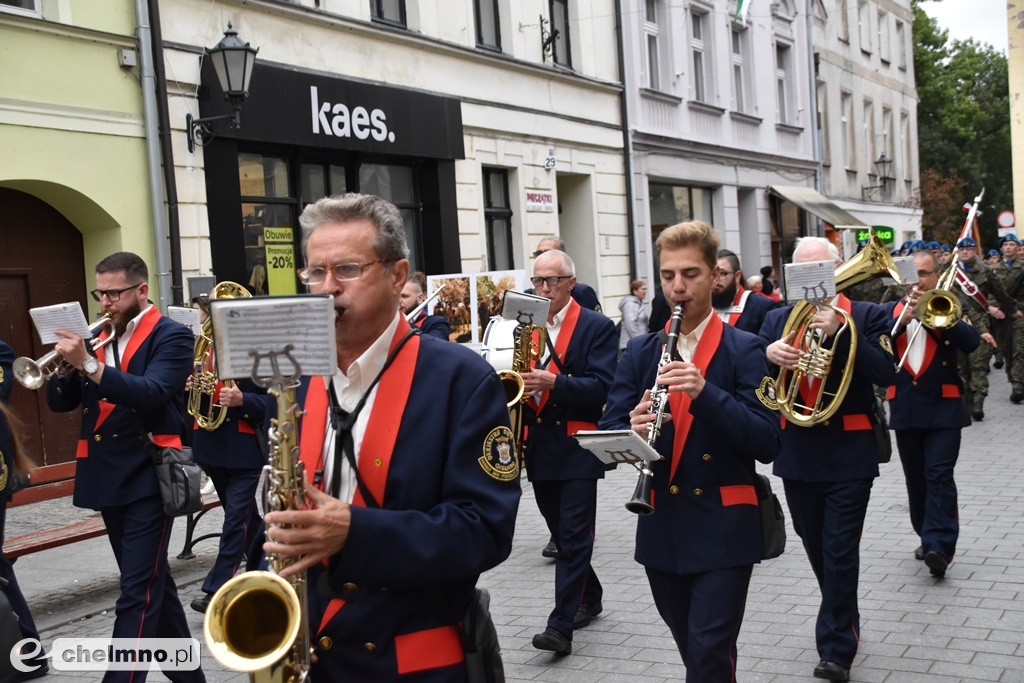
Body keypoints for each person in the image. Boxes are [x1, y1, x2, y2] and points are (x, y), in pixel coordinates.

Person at [261, 193, 521, 681]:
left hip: (410, 658)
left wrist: (355, 533)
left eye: (347, 270)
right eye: (315, 273)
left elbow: (486, 531)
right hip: (310, 651)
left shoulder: (461, 379)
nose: (327, 288)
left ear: (398, 275)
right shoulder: (296, 377)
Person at [600, 220, 780, 680]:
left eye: (690, 275)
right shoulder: (642, 351)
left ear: (715, 275)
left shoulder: (745, 349)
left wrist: (707, 394)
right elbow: (607, 433)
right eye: (667, 276)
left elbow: (766, 440)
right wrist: (632, 428)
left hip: (724, 523)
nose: (677, 287)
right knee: (696, 650)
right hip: (662, 523)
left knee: (706, 651)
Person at [45, 251, 202, 683]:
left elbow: (152, 392)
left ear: (141, 290)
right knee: (154, 586)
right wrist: (63, 367)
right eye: (101, 293)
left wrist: (89, 365)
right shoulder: (96, 338)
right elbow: (60, 403)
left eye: (115, 293)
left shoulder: (170, 336)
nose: (106, 302)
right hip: (108, 475)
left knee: (137, 593)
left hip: (150, 473)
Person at [759, 237, 896, 682]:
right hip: (797, 453)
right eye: (800, 273)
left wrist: (841, 332)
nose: (810, 282)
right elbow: (754, 380)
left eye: (818, 271)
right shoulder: (777, 318)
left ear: (838, 270)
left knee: (839, 550)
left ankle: (836, 648)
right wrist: (768, 354)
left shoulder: (866, 315)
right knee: (817, 545)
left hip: (849, 452)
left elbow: (886, 373)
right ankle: (845, 615)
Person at [522, 250, 616, 655]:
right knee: (561, 533)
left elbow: (602, 387)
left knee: (574, 536)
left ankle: (560, 627)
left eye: (551, 282)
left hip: (579, 443)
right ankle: (590, 594)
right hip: (540, 443)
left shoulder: (596, 326)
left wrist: (554, 383)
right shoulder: (526, 325)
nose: (543, 289)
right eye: (538, 281)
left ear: (570, 283)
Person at [885, 250, 980, 577]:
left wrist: (936, 318)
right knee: (916, 478)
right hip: (906, 407)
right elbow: (874, 348)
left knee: (938, 473)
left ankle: (940, 544)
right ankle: (927, 533)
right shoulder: (889, 312)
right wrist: (900, 324)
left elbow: (971, 343)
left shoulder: (951, 306)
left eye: (924, 274)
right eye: (912, 275)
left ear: (937, 276)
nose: (918, 282)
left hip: (943, 406)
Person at [186, 295, 271, 614]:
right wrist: (194, 386)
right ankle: (263, 568)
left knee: (236, 519)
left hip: (244, 450)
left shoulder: (260, 351)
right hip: (211, 446)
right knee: (247, 517)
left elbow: (275, 402)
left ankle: (217, 588)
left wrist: (243, 400)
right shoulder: (207, 349)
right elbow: (197, 403)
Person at [953, 236, 1012, 420]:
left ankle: (978, 402)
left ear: (975, 251)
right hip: (958, 324)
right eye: (961, 249)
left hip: (981, 324)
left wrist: (1010, 310)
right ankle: (968, 400)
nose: (965, 252)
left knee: (978, 364)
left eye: (969, 249)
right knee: (963, 367)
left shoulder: (985, 271)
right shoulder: (950, 273)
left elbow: (1000, 294)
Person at [989, 234, 1024, 403]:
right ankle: (1013, 379)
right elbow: (988, 293)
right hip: (1001, 317)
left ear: (1017, 248)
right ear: (1002, 248)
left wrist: (1018, 308)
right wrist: (993, 308)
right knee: (1007, 351)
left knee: (1019, 349)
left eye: (1012, 244)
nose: (1009, 247)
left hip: (1019, 315)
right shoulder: (993, 270)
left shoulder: (1022, 268)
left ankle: (1018, 385)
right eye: (1006, 244)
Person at [526, 236, 602, 312]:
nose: (545, 289)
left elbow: (594, 321)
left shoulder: (581, 293)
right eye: (538, 253)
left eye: (548, 253)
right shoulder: (529, 295)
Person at [712, 249, 777, 333]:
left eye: (722, 273)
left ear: (737, 276)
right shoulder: (701, 308)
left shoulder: (763, 307)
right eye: (713, 274)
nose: (716, 279)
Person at [399, 271, 451, 341]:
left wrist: (405, 324)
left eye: (404, 296)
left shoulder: (437, 323)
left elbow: (433, 347)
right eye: (396, 297)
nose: (399, 301)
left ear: (420, 298)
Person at [618, 279, 649, 353]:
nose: (645, 291)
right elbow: (630, 324)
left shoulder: (637, 303)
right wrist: (639, 341)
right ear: (635, 291)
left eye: (646, 289)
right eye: (643, 289)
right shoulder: (630, 304)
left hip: (637, 343)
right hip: (632, 345)